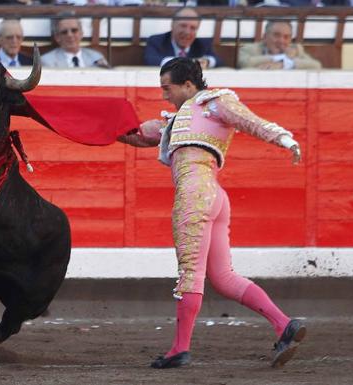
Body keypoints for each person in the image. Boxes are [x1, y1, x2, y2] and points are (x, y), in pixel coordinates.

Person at [117, 57, 305, 369]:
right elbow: (137, 134)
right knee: (222, 276)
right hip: (214, 195)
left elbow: (250, 121)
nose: (164, 95)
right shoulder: (178, 119)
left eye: (168, 88)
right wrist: (101, 129)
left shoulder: (215, 101)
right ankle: (284, 325)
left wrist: (284, 138)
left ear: (188, 85)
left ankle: (179, 349)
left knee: (190, 273)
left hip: (194, 193)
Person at [144, 7, 223, 69]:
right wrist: (182, 62)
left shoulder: (202, 44)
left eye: (193, 28)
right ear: (172, 25)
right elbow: (150, 59)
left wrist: (207, 62)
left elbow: (218, 60)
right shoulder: (156, 41)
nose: (187, 32)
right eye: (183, 26)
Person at [238, 20, 322, 70]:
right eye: (276, 35)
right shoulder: (250, 49)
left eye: (286, 37)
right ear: (265, 37)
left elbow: (316, 66)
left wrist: (285, 64)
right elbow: (244, 63)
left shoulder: (296, 49)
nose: (281, 41)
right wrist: (281, 57)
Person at [41, 12, 110, 68]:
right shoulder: (47, 61)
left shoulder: (96, 57)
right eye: (64, 32)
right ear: (57, 37)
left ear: (81, 33)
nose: (70, 35)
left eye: (74, 30)